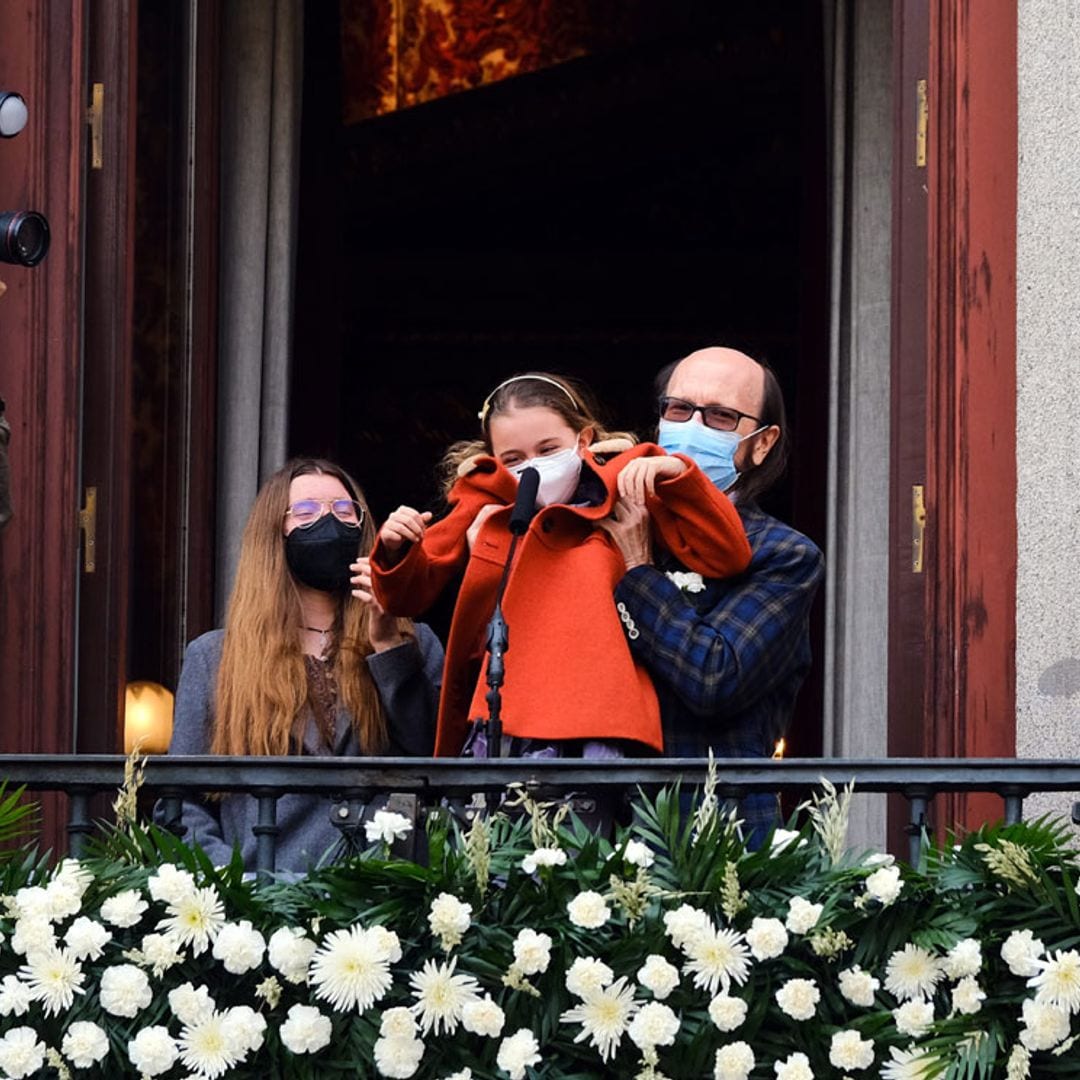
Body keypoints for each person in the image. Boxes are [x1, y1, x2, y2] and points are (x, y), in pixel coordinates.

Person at [370, 372, 751, 760]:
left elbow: (726, 554)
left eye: (548, 448)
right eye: (513, 459)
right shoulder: (483, 502)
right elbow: (405, 597)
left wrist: (679, 478)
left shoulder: (625, 482)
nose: (533, 466)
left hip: (600, 715)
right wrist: (396, 547)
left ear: (583, 440)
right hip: (507, 713)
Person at [164, 457, 443, 872]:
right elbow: (182, 805)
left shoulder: (414, 642)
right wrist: (235, 884)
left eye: (344, 510)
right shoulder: (214, 657)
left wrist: (388, 646)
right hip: (261, 893)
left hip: (378, 892)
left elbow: (437, 763)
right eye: (307, 512)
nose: (329, 521)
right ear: (273, 533)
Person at [599, 347, 824, 847]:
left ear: (761, 444)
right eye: (679, 409)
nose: (692, 428)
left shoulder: (783, 554)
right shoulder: (612, 523)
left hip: (712, 836)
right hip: (593, 831)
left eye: (720, 416)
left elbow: (713, 677)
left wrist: (638, 571)